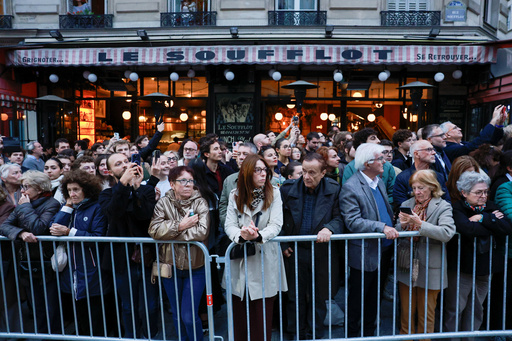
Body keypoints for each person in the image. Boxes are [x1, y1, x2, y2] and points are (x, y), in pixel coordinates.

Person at [224, 154, 287, 341]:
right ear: (247, 173)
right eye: (257, 170)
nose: (263, 174)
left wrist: (258, 235)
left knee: (262, 318)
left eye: (265, 170)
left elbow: (276, 224)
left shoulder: (274, 192)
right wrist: (241, 235)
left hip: (264, 256)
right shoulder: (234, 194)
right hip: (240, 257)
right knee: (239, 317)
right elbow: (229, 224)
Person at [280, 153, 342, 339]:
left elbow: (340, 217)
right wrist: (282, 243)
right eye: (304, 172)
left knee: (319, 296)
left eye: (312, 173)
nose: (307, 176)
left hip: (321, 251)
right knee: (294, 296)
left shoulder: (334, 189)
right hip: (295, 250)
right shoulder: (288, 189)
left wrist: (330, 228)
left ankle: (314, 334)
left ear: (323, 173)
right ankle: (295, 334)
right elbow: (278, 220)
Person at [340, 143, 399, 337]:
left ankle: (369, 332)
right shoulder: (352, 187)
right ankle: (354, 335)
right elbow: (352, 221)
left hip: (384, 249)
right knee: (358, 298)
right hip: (365, 252)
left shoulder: (378, 181)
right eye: (380, 158)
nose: (385, 161)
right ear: (367, 163)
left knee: (375, 297)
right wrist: (381, 227)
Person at [98, 153, 159, 338]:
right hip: (121, 259)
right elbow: (114, 213)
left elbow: (145, 215)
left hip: (146, 257)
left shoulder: (146, 190)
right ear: (109, 172)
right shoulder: (107, 194)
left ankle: (149, 336)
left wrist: (137, 187)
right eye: (118, 164)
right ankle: (132, 336)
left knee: (150, 306)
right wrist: (123, 186)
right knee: (127, 306)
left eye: (126, 161)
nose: (125, 165)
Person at [444, 171, 512, 336]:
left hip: (485, 267)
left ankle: (470, 338)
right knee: (456, 308)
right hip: (462, 267)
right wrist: (492, 222)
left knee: (476, 309)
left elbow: (507, 228)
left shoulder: (491, 206)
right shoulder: (456, 208)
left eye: (485, 191)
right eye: (478, 192)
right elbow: (466, 228)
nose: (483, 196)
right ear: (464, 193)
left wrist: (482, 218)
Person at [148, 166, 210, 341]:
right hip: (170, 266)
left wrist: (170, 232)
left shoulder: (200, 202)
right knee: (176, 314)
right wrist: (180, 226)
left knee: (189, 316)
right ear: (172, 184)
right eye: (183, 181)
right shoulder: (163, 203)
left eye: (191, 181)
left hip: (195, 267)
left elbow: (202, 232)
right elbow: (154, 230)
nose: (188, 185)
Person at [396, 170, 456, 337]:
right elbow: (396, 231)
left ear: (432, 187)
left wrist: (420, 224)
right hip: (407, 265)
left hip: (431, 268)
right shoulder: (408, 204)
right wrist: (401, 226)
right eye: (414, 188)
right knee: (405, 315)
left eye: (421, 188)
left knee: (426, 316)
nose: (417, 192)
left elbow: (447, 232)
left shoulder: (443, 205)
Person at [0, 171, 61, 334]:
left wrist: (25, 207)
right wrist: (20, 233)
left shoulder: (52, 203)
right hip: (28, 261)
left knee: (51, 306)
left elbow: (38, 228)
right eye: (22, 187)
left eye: (26, 187)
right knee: (37, 306)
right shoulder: (23, 204)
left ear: (40, 188)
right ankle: (42, 336)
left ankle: (54, 336)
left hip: (47, 260)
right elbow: (4, 226)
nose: (23, 191)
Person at [49, 170, 108, 336]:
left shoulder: (97, 208)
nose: (72, 193)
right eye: (69, 190)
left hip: (92, 267)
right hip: (73, 269)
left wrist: (69, 232)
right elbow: (53, 228)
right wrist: (67, 206)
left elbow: (98, 236)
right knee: (80, 312)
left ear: (86, 189)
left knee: (95, 314)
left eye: (76, 189)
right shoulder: (70, 207)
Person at [342, 128, 396, 204]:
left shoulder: (387, 166)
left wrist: (387, 210)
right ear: (362, 143)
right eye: (373, 138)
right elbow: (348, 196)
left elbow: (392, 193)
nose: (378, 141)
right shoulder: (351, 167)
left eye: (377, 137)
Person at [393, 140, 450, 208]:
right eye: (429, 150)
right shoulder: (402, 177)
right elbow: (401, 205)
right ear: (416, 154)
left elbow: (447, 202)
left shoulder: (439, 176)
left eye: (433, 149)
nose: (434, 153)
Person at [441, 104, 507, 162]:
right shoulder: (448, 148)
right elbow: (478, 142)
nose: (460, 129)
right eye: (455, 128)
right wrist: (493, 120)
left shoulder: (463, 143)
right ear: (447, 135)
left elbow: (490, 142)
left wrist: (499, 124)